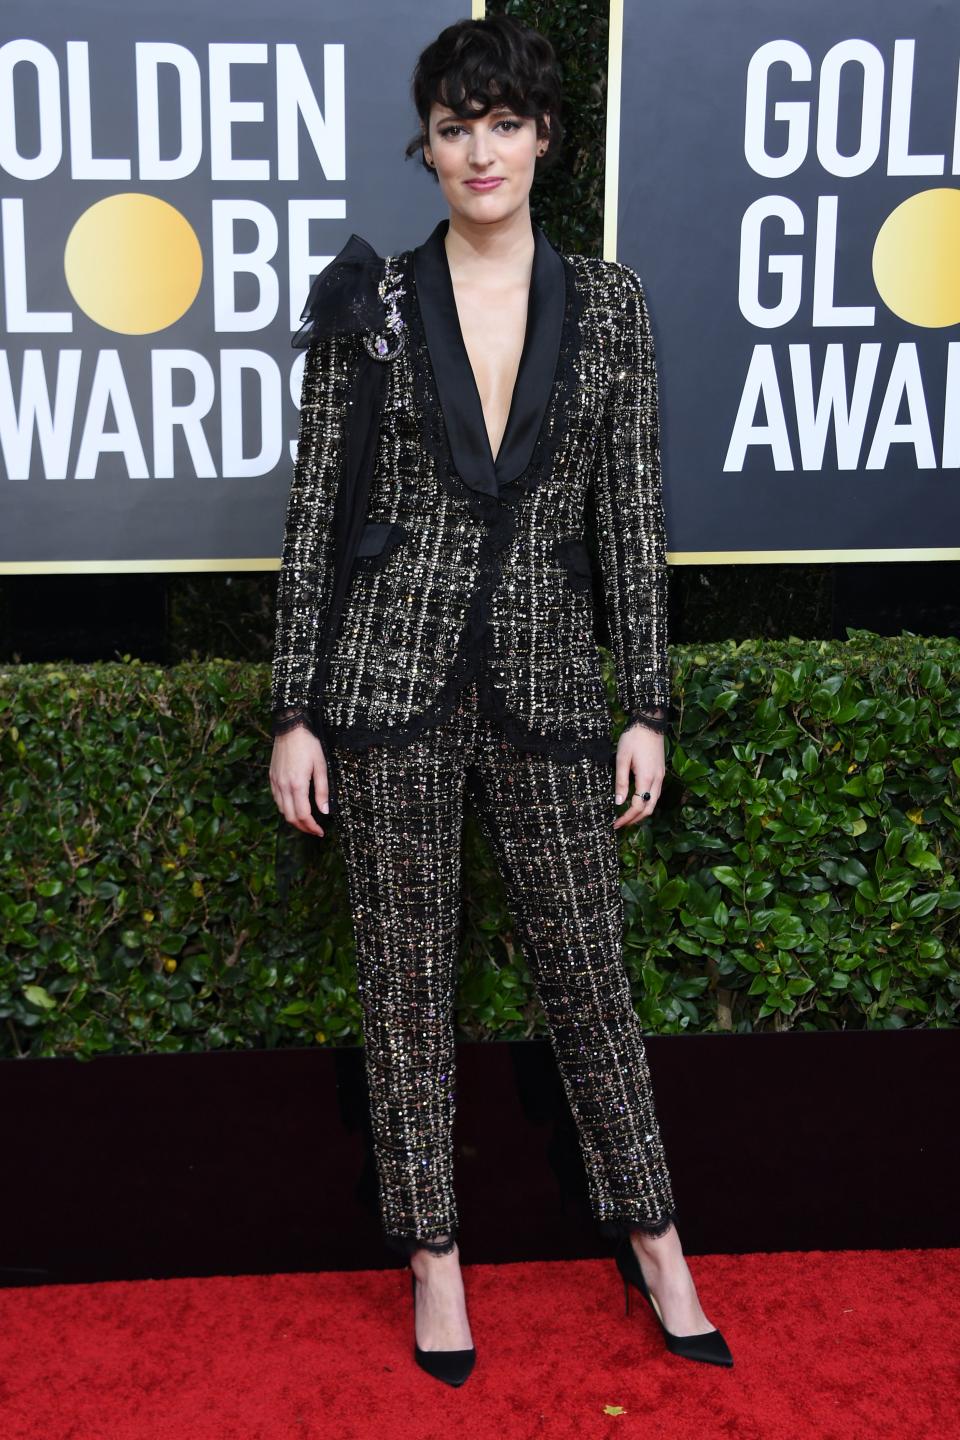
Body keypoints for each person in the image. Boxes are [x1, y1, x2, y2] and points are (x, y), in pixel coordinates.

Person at [269, 15, 732, 1386]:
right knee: (405, 990)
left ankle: (654, 1241)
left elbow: (630, 516)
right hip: (385, 689)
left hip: (549, 688)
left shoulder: (615, 305)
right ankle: (434, 1260)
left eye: (504, 122)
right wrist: (295, 709)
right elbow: (312, 523)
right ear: (430, 146)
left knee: (591, 979)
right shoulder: (369, 305)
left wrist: (645, 702)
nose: (480, 149)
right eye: (455, 126)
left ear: (544, 138)